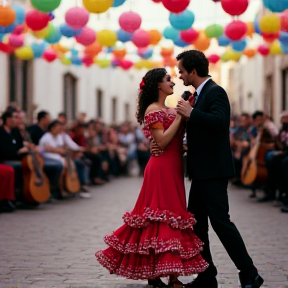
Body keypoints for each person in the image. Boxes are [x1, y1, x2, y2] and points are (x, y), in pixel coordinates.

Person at [96, 68, 208, 288]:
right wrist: (180, 117)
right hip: (160, 168)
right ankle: (162, 276)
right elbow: (163, 141)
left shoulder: (167, 109)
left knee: (175, 217)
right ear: (158, 85)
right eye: (168, 80)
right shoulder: (152, 110)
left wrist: (184, 143)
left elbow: (173, 141)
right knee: (159, 218)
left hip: (174, 167)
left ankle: (169, 275)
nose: (173, 83)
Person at [175, 50, 264, 288]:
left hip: (213, 171)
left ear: (193, 71)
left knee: (221, 222)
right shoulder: (198, 94)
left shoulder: (216, 92)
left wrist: (191, 113)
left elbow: (219, 122)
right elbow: (205, 131)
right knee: (196, 223)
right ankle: (206, 275)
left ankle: (249, 272)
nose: (179, 76)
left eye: (182, 71)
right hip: (200, 170)